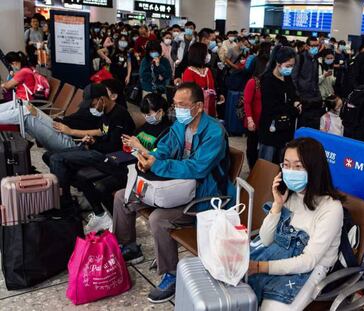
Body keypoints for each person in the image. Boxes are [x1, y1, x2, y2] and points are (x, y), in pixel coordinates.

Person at [112, 82, 235, 304]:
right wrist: (151, 158)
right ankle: (129, 246)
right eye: (175, 104)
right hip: (174, 187)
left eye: (182, 105)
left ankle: (172, 275)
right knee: (122, 196)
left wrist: (158, 166)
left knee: (160, 219)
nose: (177, 109)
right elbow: (166, 148)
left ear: (198, 106)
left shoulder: (214, 132)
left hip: (203, 195)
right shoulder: (180, 124)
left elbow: (198, 169)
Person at [248, 137, 344, 311]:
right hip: (279, 255)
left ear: (314, 168)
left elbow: (309, 260)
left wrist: (260, 267)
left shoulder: (331, 208)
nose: (290, 171)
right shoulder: (290, 196)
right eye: (286, 164)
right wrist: (277, 205)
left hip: (310, 269)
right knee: (239, 293)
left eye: (298, 166)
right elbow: (266, 239)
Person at [83, 93, 171, 233]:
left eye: (149, 113)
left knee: (101, 187)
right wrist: (128, 143)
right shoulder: (146, 125)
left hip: (143, 171)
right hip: (128, 163)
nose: (147, 117)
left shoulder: (167, 132)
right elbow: (133, 141)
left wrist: (138, 146)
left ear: (160, 111)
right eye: (144, 114)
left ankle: (118, 223)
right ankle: (111, 218)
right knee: (85, 176)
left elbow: (156, 158)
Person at [48, 83, 135, 210]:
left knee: (57, 159)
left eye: (93, 105)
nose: (92, 108)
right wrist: (91, 139)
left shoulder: (120, 116)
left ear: (102, 99)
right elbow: (102, 132)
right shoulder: (105, 113)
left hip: (109, 157)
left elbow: (113, 147)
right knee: (49, 156)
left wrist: (94, 144)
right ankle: (77, 196)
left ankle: (65, 205)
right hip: (96, 150)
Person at [258, 46, 300, 163]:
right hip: (270, 129)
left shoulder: (287, 78)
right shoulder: (267, 80)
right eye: (288, 66)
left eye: (292, 66)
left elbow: (293, 94)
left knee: (282, 163)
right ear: (278, 63)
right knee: (266, 163)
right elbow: (272, 106)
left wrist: (296, 101)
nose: (290, 69)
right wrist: (294, 110)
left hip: (285, 129)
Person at [292, 36, 322, 102]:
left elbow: (316, 79)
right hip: (302, 96)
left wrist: (318, 94)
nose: (315, 47)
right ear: (307, 46)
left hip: (313, 96)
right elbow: (294, 78)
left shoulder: (316, 60)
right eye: (313, 45)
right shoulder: (300, 58)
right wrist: (297, 95)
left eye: (317, 45)